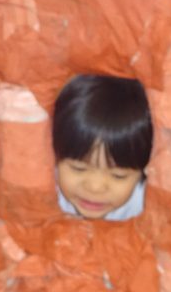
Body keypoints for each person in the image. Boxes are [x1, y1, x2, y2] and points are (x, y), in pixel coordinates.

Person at [52, 74, 152, 221]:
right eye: (78, 168)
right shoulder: (45, 188)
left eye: (118, 176)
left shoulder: (146, 203)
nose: (95, 187)